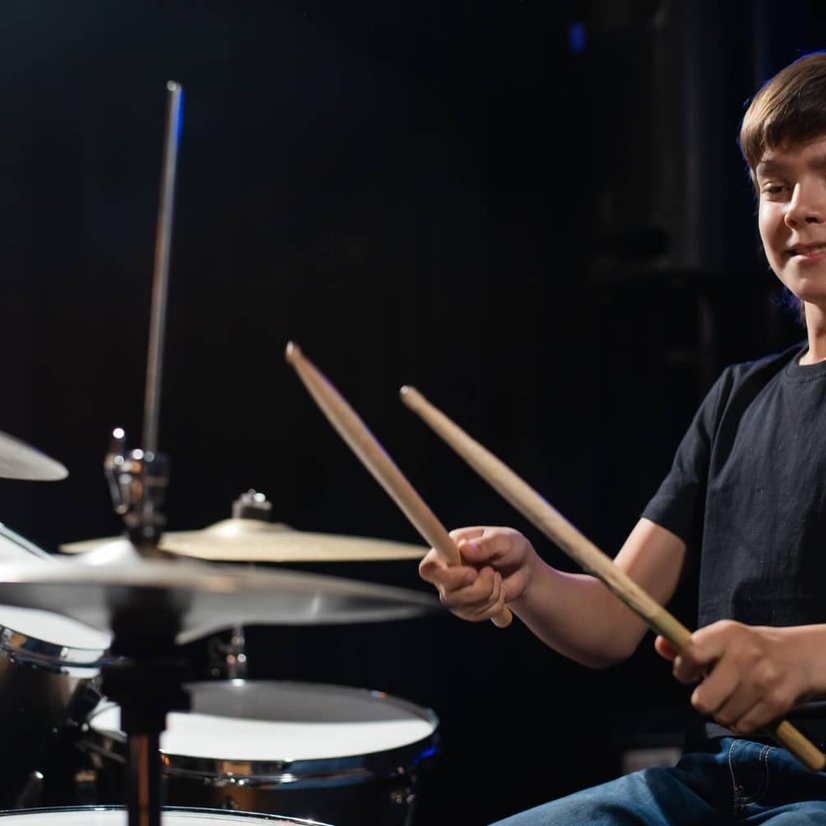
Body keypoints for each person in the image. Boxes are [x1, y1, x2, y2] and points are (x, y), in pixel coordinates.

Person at [419, 50, 826, 824]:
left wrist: (803, 658)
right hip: (722, 783)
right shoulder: (740, 397)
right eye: (775, 186)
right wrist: (529, 577)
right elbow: (616, 618)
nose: (798, 208)